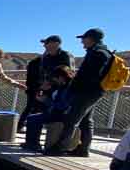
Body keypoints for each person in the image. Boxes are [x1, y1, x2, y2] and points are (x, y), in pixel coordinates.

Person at [45, 28, 113, 156]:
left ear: (91, 38)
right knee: (86, 120)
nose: (82, 41)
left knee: (71, 119)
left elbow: (89, 75)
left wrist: (76, 86)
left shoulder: (98, 53)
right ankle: (83, 149)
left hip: (86, 92)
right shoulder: (99, 52)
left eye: (84, 38)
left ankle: (60, 147)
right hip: (93, 91)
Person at [18, 36, 75, 132]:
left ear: (56, 44)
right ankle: (32, 138)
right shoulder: (46, 57)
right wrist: (43, 86)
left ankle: (53, 137)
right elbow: (43, 72)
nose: (44, 45)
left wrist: (54, 84)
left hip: (60, 90)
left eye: (47, 43)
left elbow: (68, 74)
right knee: (36, 108)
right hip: (46, 87)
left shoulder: (66, 56)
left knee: (55, 109)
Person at [21, 66, 75, 152]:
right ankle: (31, 143)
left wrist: (46, 100)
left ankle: (33, 144)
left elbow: (62, 105)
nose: (54, 81)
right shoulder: (61, 86)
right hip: (56, 112)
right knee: (32, 117)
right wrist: (43, 91)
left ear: (60, 77)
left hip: (62, 115)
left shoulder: (68, 88)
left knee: (34, 119)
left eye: (55, 78)